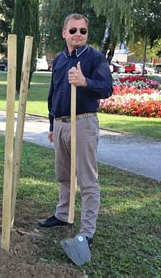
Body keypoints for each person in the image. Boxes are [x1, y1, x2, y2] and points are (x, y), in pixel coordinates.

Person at [38, 13, 113, 247]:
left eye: (82, 31)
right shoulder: (60, 59)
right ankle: (62, 214)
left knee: (87, 180)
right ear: (64, 33)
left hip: (83, 122)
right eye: (73, 31)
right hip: (60, 123)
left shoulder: (95, 58)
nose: (78, 35)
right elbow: (54, 93)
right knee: (63, 174)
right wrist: (52, 125)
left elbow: (107, 88)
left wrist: (85, 82)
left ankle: (87, 231)